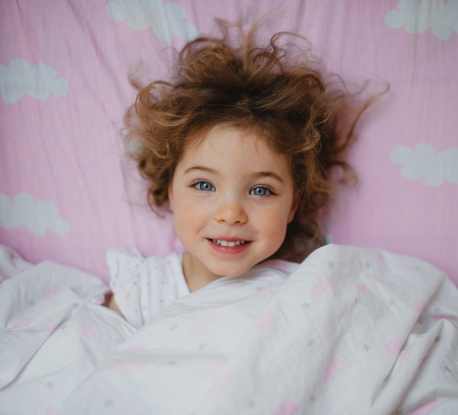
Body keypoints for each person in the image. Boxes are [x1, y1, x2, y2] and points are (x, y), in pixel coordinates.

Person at [106, 20, 378, 325]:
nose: (231, 213)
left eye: (261, 190)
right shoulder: (141, 290)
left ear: (292, 206)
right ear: (171, 192)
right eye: (204, 184)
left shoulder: (296, 295)